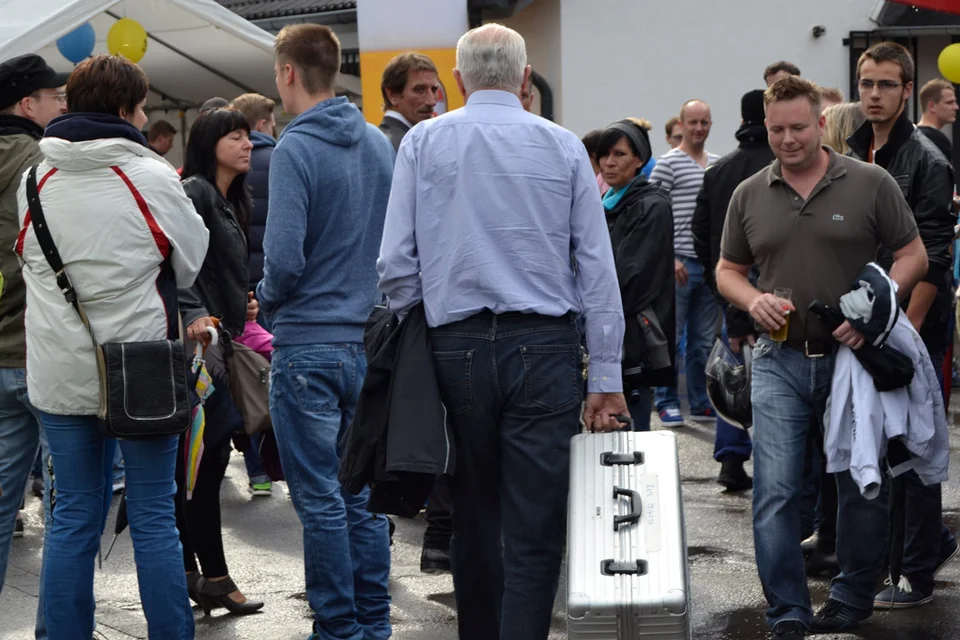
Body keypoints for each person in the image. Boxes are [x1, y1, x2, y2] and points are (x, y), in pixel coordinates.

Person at [377, 23, 627, 640]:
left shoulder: (423, 141)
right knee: (536, 523)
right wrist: (607, 374)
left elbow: (395, 265)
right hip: (544, 344)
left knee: (471, 511)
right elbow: (597, 269)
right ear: (524, 78)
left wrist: (426, 319)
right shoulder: (563, 145)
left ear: (458, 80)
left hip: (454, 342)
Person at [717, 75, 928, 638]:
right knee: (775, 492)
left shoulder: (870, 182)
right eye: (777, 130)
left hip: (852, 361)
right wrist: (752, 299)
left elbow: (913, 255)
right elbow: (728, 270)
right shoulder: (749, 193)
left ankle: (852, 597)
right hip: (778, 358)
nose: (787, 139)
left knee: (861, 484)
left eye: (798, 128)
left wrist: (876, 307)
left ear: (820, 122)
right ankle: (787, 610)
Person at [15, 54, 209, 640]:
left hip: (58, 370)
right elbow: (190, 260)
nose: (146, 117)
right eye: (142, 107)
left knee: (73, 515)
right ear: (125, 110)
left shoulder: (35, 179)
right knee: (153, 515)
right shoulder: (151, 176)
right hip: (141, 368)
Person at [257, 23, 395, 640]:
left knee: (319, 499)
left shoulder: (294, 148)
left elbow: (284, 260)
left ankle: (338, 628)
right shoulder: (378, 144)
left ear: (288, 72)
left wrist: (265, 298)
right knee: (360, 493)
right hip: (367, 339)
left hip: (307, 344)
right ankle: (374, 622)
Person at [846, 41, 959, 611]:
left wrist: (906, 333)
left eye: (887, 84)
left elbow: (935, 257)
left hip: (916, 325)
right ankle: (921, 548)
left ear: (908, 90)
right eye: (867, 83)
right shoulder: (854, 148)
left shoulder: (927, 160)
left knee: (914, 444)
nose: (874, 94)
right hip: (868, 320)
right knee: (879, 441)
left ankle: (916, 572)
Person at [177, 108, 265, 616]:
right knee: (202, 464)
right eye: (235, 136)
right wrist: (196, 313)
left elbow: (217, 270)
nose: (247, 144)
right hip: (200, 350)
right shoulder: (195, 192)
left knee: (200, 465)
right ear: (210, 143)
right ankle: (211, 576)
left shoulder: (228, 199)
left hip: (217, 342)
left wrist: (240, 305)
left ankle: (195, 572)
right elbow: (177, 264)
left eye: (248, 135)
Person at [0, 54, 65, 640]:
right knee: (67, 507)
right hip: (39, 351)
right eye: (54, 97)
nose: (62, 105)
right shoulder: (42, 161)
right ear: (28, 104)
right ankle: (55, 631)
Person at [692, 89, 774, 492]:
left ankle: (731, 457)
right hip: (778, 294)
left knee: (734, 373)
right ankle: (776, 463)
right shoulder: (784, 166)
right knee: (776, 381)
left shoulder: (719, 171)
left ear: (742, 121)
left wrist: (720, 288)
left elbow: (701, 235)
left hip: (731, 290)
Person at [597, 119, 674, 432]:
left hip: (634, 336)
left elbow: (632, 277)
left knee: (631, 436)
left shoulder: (651, 205)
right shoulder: (604, 203)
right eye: (604, 155)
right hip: (607, 331)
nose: (609, 162)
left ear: (639, 159)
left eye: (619, 154)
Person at [650, 99, 721, 426]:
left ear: (710, 124)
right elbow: (652, 213)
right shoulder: (668, 164)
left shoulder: (717, 164)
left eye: (704, 122)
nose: (698, 128)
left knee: (703, 341)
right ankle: (665, 401)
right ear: (681, 124)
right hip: (677, 265)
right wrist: (668, 257)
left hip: (707, 266)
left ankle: (701, 402)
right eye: (692, 122)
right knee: (670, 337)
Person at [230, 92, 279, 497]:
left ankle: (257, 470)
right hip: (273, 286)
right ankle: (280, 461)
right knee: (276, 375)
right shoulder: (280, 160)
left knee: (245, 376)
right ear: (262, 123)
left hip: (240, 290)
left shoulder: (229, 168)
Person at [379, 52, 439, 151]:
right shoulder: (405, 146)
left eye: (434, 90)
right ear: (392, 95)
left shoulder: (380, 142)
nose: (431, 101)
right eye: (419, 90)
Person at [917, 78, 958, 160]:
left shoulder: (911, 135)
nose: (956, 107)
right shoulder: (938, 140)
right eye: (949, 102)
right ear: (932, 106)